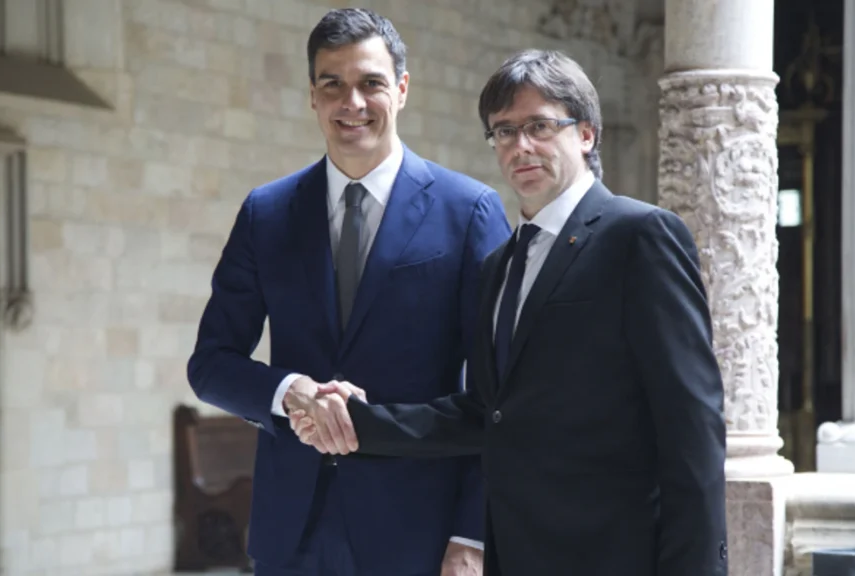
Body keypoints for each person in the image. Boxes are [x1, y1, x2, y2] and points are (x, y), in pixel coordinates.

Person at [293, 49, 729, 576]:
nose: (520, 146)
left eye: (540, 126)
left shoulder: (639, 235)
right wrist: (361, 422)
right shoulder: (499, 265)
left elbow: (692, 426)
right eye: (503, 131)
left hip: (616, 556)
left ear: (586, 134)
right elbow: (487, 414)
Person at [187, 8, 511, 576]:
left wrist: (472, 533)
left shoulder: (469, 212)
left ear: (402, 89)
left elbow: (499, 393)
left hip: (419, 530)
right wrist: (289, 392)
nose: (351, 102)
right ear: (312, 96)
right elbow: (210, 363)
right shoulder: (266, 213)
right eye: (332, 83)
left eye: (370, 83)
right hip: (291, 532)